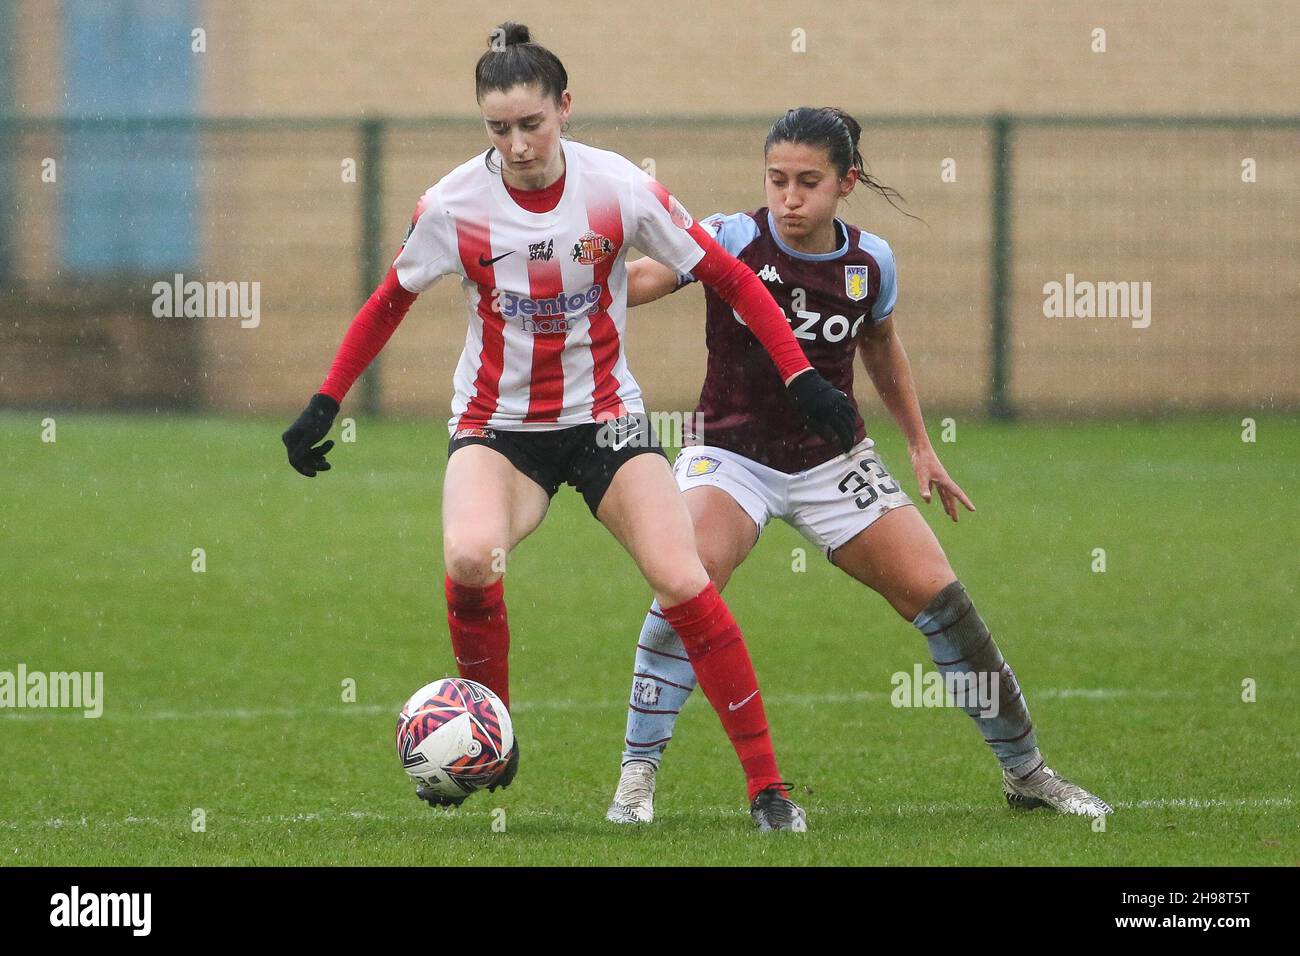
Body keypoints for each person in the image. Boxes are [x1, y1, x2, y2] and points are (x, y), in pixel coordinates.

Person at [281, 26, 862, 832]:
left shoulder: (619, 189)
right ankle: (492, 735)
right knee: (467, 558)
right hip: (498, 428)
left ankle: (767, 787)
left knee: (683, 579)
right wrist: (325, 401)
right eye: (497, 128)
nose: (516, 144)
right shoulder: (453, 205)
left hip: (607, 424)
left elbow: (728, 276)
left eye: (531, 124)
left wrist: (799, 372)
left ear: (564, 109)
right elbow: (389, 302)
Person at [605, 106, 1113, 823]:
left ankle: (1027, 774)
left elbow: (880, 347)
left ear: (846, 182)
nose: (789, 197)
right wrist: (568, 286)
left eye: (808, 182)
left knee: (944, 602)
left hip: (831, 463)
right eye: (776, 179)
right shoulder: (732, 237)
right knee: (687, 583)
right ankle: (637, 777)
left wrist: (919, 445)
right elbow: (647, 279)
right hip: (730, 455)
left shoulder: (869, 262)